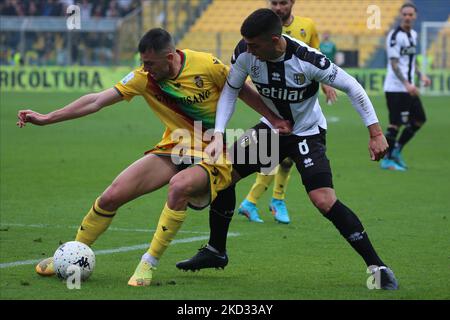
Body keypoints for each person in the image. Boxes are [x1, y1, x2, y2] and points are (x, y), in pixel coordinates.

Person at [17, 28, 290, 287]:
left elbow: (241, 90)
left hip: (212, 152)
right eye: (143, 62)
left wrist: (275, 119)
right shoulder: (143, 78)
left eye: (150, 63)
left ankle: (148, 262)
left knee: (179, 187)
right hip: (175, 147)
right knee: (112, 195)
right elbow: (96, 100)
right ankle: (71, 253)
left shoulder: (207, 64)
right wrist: (46, 118)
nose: (146, 69)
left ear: (169, 57)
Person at [176, 9, 398, 290]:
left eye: (255, 45)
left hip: (306, 132)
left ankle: (377, 267)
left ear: (274, 39)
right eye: (247, 44)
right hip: (270, 131)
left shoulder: (307, 59)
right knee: (222, 175)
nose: (249, 50)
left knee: (323, 200)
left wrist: (375, 132)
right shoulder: (246, 52)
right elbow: (231, 90)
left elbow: (353, 87)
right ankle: (216, 250)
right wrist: (219, 134)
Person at [239, 0, 337, 224]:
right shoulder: (260, 31)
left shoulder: (307, 26)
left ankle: (270, 200)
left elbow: (316, 54)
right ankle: (257, 200)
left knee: (285, 159)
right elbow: (249, 60)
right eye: (273, 2)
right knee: (271, 155)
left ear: (292, 3)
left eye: (282, 2)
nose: (278, 7)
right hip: (274, 104)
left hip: (298, 105)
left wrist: (326, 83)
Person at [381, 3, 431, 171]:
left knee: (419, 119)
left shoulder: (414, 35)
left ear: (415, 16)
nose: (408, 17)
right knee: (395, 124)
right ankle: (386, 160)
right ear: (401, 16)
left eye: (411, 14)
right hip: (396, 88)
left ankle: (397, 150)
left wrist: (420, 75)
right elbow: (394, 64)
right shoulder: (395, 36)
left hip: (407, 88)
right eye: (405, 14)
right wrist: (407, 84)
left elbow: (410, 59)